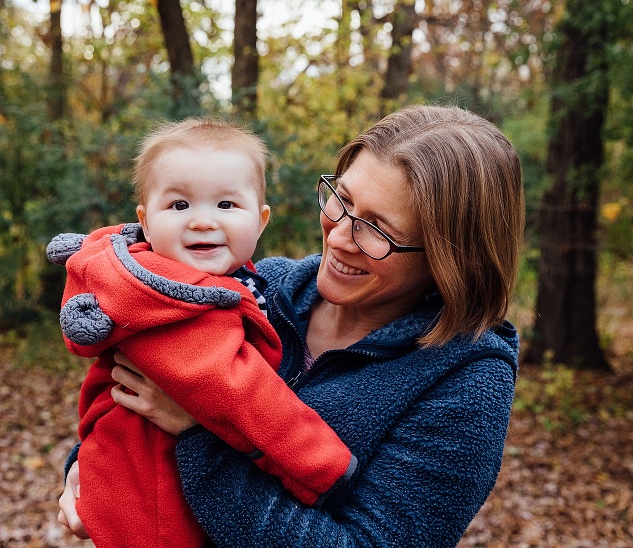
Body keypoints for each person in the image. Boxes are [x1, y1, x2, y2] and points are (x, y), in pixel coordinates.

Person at [59, 104, 525, 546]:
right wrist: (86, 475)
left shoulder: (464, 382)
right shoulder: (264, 288)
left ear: (448, 258)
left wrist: (201, 432)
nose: (339, 238)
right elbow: (126, 393)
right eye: (342, 201)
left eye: (377, 229)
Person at [48, 118, 356, 548]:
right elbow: (243, 396)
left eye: (226, 205)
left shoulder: (238, 282)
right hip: (151, 501)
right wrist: (325, 468)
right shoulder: (176, 301)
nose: (202, 222)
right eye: (179, 206)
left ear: (261, 221)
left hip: (143, 478)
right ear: (146, 223)